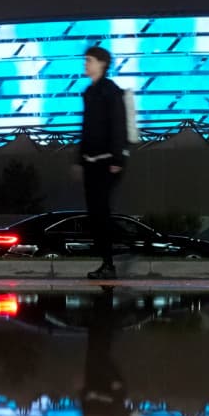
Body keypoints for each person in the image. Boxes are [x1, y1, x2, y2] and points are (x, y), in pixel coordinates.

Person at [77, 45, 130, 281]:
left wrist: (117, 158)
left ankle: (113, 260)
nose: (85, 64)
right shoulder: (90, 92)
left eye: (89, 60)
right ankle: (112, 259)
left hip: (107, 162)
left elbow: (118, 124)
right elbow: (87, 129)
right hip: (91, 162)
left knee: (100, 213)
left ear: (101, 63)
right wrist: (80, 158)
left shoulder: (110, 91)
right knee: (96, 214)